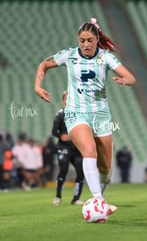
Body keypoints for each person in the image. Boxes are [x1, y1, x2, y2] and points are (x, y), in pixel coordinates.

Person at [34, 17, 136, 215]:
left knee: (106, 167)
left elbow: (131, 77)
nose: (85, 44)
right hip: (76, 112)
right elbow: (43, 65)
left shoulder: (106, 58)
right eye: (82, 40)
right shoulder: (69, 55)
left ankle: (101, 193)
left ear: (97, 39)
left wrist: (125, 80)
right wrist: (37, 86)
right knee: (89, 152)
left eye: (90, 40)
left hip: (101, 114)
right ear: (78, 40)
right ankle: (99, 202)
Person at [52, 91, 84, 206]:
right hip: (64, 147)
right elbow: (54, 131)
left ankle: (76, 198)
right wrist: (61, 135)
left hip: (77, 148)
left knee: (80, 172)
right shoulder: (60, 114)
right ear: (63, 101)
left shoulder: (80, 113)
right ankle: (58, 197)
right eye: (66, 99)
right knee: (63, 170)